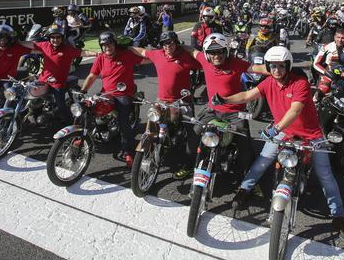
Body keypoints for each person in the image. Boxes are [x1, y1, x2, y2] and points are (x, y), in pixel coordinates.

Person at [214, 45, 344, 245]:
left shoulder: (300, 83)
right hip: (284, 132)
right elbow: (246, 96)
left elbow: (295, 111)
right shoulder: (268, 82)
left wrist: (275, 129)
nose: (276, 70)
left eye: (280, 66)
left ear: (288, 66)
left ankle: (338, 217)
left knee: (325, 175)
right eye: (272, 66)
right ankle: (243, 190)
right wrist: (224, 99)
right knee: (262, 162)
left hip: (310, 135)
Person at [180, 33, 269, 180]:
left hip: (235, 112)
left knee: (245, 147)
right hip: (211, 109)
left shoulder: (236, 63)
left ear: (226, 51)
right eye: (212, 52)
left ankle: (251, 179)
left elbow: (257, 69)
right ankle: (188, 166)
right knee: (193, 136)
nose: (216, 55)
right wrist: (177, 45)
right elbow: (192, 51)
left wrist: (280, 68)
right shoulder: (204, 60)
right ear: (207, 54)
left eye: (220, 51)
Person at [128, 31, 201, 178]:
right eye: (165, 43)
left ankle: (189, 164)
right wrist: (125, 47)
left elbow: (204, 62)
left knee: (193, 133)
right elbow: (142, 51)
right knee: (151, 120)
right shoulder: (158, 54)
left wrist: (188, 48)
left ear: (176, 42)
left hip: (182, 101)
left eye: (171, 42)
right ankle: (148, 144)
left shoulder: (185, 56)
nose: (168, 46)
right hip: (162, 100)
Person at [80, 31, 147, 168]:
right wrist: (83, 91)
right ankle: (82, 136)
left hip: (123, 94)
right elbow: (92, 76)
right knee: (87, 108)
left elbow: (148, 59)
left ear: (115, 44)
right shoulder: (101, 58)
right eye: (103, 45)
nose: (107, 47)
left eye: (109, 44)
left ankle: (127, 151)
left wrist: (130, 48)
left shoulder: (127, 55)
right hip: (106, 93)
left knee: (124, 122)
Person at [29, 24, 97, 124]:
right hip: (43, 81)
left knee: (61, 106)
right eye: (52, 37)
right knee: (33, 99)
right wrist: (14, 42)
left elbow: (84, 53)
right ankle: (36, 117)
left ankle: (71, 124)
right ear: (49, 38)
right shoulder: (45, 45)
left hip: (58, 83)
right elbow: (29, 44)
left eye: (58, 37)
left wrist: (98, 54)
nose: (55, 40)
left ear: (62, 38)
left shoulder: (67, 49)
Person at [313, 29, 344, 101]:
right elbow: (316, 63)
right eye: (338, 37)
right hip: (329, 74)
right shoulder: (326, 47)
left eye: (343, 38)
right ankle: (314, 105)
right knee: (322, 91)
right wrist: (326, 72)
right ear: (334, 37)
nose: (340, 40)